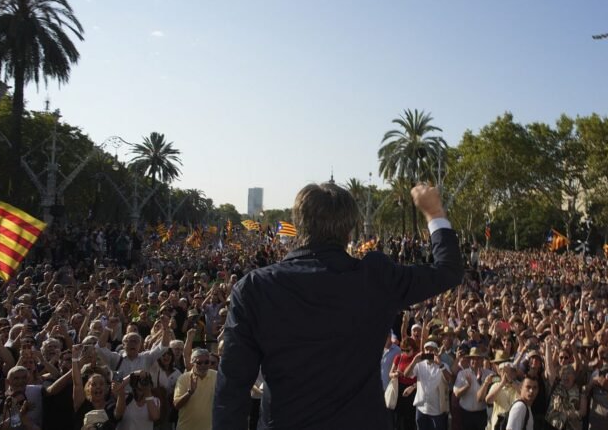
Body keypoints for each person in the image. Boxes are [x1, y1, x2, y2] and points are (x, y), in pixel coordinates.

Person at [214, 183, 464, 429]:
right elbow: (448, 270)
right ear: (350, 231)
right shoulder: (375, 279)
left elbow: (232, 389)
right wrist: (434, 213)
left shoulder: (255, 289)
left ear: (299, 225)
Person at [403, 341, 452, 430]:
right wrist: (414, 360)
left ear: (436, 352)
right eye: (427, 350)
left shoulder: (443, 365)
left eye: (432, 350)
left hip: (437, 411)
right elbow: (406, 375)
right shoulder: (419, 365)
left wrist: (440, 365)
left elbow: (449, 380)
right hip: (421, 409)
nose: (429, 352)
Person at [174, 348, 216, 430]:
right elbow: (176, 405)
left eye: (206, 362)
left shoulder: (217, 376)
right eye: (199, 362)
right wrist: (189, 393)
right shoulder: (183, 378)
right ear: (192, 363)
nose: (203, 365)